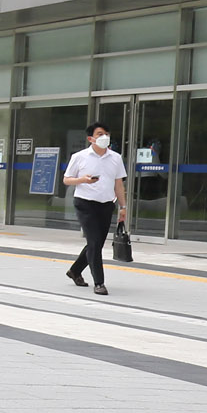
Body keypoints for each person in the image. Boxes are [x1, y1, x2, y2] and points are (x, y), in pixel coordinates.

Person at [64, 122, 126, 295]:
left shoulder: (115, 158)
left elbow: (119, 184)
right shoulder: (80, 156)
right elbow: (67, 179)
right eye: (99, 134)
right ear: (90, 138)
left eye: (106, 133)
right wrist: (82, 180)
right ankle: (99, 283)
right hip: (85, 203)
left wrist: (123, 206)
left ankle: (75, 271)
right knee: (93, 242)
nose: (104, 136)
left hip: (106, 205)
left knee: (96, 243)